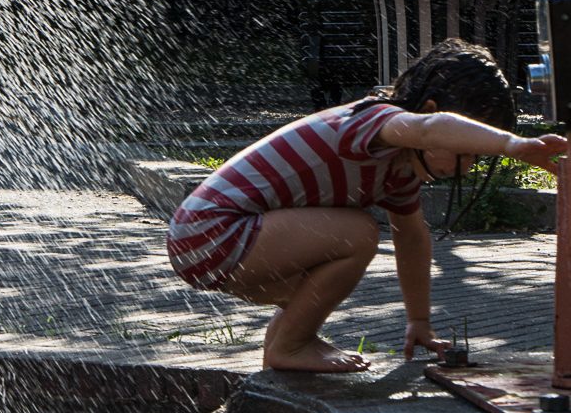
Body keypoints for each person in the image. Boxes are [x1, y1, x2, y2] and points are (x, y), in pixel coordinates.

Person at [167, 38, 567, 373]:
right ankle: (290, 346)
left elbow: (412, 238)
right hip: (210, 230)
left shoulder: (399, 171)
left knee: (321, 277)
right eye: (467, 150)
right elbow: (430, 130)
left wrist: (419, 322)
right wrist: (514, 145)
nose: (469, 165)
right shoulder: (374, 121)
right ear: (431, 111)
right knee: (357, 234)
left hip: (221, 245)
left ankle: (285, 347)